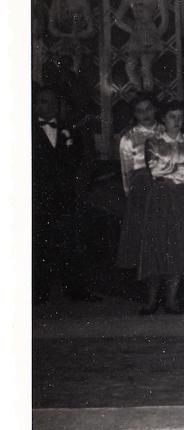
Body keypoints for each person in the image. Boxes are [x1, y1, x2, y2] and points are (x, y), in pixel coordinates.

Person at [138, 100, 184, 313]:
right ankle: (151, 301)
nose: (177, 121)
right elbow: (155, 170)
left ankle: (171, 300)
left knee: (178, 245)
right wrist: (179, 169)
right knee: (157, 245)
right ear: (163, 118)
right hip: (160, 199)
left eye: (180, 117)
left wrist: (172, 172)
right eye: (172, 116)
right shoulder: (153, 142)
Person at [32, 86, 99, 304]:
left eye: (51, 102)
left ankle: (76, 290)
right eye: (41, 101)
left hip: (66, 197)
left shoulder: (68, 130)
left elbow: (80, 161)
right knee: (39, 245)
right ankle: (37, 292)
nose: (46, 106)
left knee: (71, 243)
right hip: (38, 198)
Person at [116, 94, 165, 274]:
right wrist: (131, 194)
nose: (145, 114)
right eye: (140, 111)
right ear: (134, 114)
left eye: (149, 109)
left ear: (156, 109)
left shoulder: (166, 131)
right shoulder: (128, 138)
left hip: (165, 186)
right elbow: (126, 170)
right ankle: (145, 269)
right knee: (143, 232)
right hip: (141, 189)